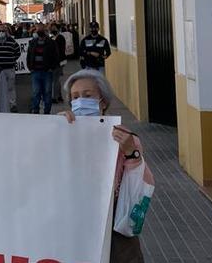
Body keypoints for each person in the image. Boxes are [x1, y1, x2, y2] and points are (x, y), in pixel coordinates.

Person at [59, 69, 154, 262]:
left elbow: (137, 184)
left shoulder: (124, 137)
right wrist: (54, 129)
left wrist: (130, 152)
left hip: (113, 228)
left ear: (102, 102)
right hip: (74, 226)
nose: (80, 101)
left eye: (88, 96)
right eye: (75, 97)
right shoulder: (63, 132)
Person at [0, 24, 22, 112]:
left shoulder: (12, 41)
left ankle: (12, 105)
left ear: (6, 32)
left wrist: (12, 60)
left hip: (9, 68)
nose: (1, 33)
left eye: (2, 31)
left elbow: (18, 52)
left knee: (10, 88)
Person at [26, 27, 59, 114]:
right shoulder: (33, 42)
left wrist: (52, 68)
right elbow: (29, 55)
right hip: (35, 71)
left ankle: (47, 111)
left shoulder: (51, 43)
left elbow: (56, 56)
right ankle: (35, 110)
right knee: (36, 92)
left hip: (47, 72)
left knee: (47, 92)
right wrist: (30, 67)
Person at [50, 25, 67, 103]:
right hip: (57, 61)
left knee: (55, 80)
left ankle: (55, 97)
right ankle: (59, 96)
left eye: (54, 28)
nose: (52, 29)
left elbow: (59, 51)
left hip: (58, 62)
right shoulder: (53, 38)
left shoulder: (60, 38)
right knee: (57, 79)